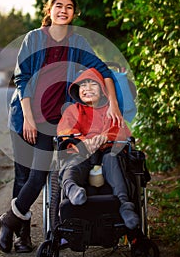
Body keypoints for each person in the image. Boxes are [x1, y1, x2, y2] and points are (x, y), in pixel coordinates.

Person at [0, 0, 124, 254]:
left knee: (39, 175)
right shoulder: (34, 38)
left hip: (54, 122)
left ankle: (8, 220)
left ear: (74, 13)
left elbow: (103, 70)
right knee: (23, 176)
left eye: (69, 6)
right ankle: (23, 236)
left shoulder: (77, 43)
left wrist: (112, 102)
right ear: (49, 9)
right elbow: (22, 79)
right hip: (25, 116)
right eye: (58, 5)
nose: (63, 10)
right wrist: (29, 120)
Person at [57, 67, 139, 230]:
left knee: (113, 159)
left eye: (92, 85)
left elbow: (120, 130)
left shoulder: (111, 110)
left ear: (103, 90)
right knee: (75, 160)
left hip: (108, 151)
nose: (87, 89)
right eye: (83, 85)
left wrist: (106, 136)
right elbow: (65, 131)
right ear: (77, 90)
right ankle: (73, 189)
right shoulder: (72, 111)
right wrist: (82, 141)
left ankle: (124, 205)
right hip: (82, 151)